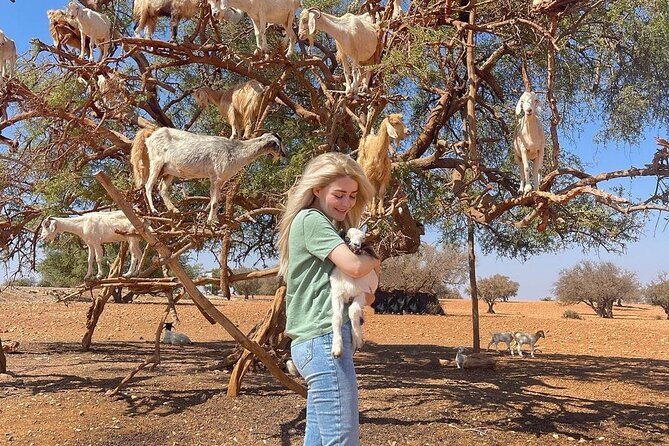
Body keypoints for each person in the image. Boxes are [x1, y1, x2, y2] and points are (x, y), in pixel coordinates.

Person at [278, 152, 380, 446]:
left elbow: (368, 297)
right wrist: (377, 257)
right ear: (317, 189)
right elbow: (355, 267)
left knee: (320, 439)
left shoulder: (330, 228)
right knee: (342, 438)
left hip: (317, 340)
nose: (346, 203)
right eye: (339, 194)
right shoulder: (312, 220)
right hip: (323, 339)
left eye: (352, 196)